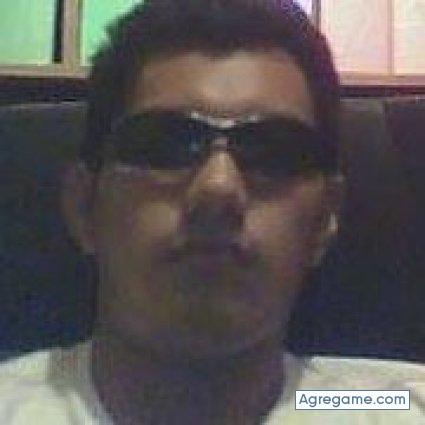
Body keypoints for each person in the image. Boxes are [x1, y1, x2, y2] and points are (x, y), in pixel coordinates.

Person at [0, 0, 424, 424]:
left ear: (326, 219)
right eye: (165, 144)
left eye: (274, 151)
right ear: (83, 206)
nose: (218, 188)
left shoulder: (379, 406)